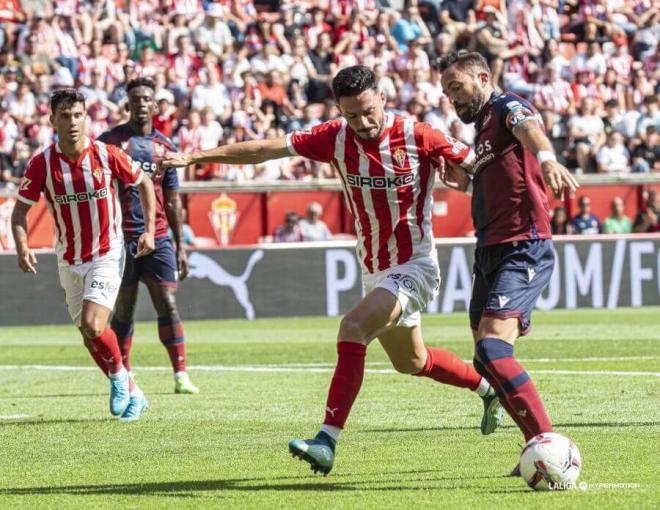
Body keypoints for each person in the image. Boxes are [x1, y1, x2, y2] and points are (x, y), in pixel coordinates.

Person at [160, 65, 504, 476]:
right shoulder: (334, 138)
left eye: (367, 111)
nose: (361, 123)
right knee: (411, 361)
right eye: (351, 115)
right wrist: (197, 156)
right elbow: (264, 150)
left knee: (352, 327)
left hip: (416, 265)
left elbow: (484, 169)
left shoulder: (419, 134)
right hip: (375, 269)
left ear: (383, 96)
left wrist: (472, 187)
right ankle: (489, 390)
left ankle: (326, 440)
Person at [437, 51, 579, 475]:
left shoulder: (505, 107)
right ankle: (533, 448)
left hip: (523, 245)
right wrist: (465, 183)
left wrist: (548, 157)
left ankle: (548, 443)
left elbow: (529, 129)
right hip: (490, 250)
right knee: (484, 358)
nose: (452, 98)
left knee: (494, 348)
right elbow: (499, 181)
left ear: (483, 78)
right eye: (446, 92)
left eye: (457, 87)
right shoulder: (481, 133)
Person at [11, 88, 156, 421]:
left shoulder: (107, 154)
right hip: (68, 257)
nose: (73, 122)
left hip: (107, 251)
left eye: (78, 115)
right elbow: (19, 214)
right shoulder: (42, 164)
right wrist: (23, 247)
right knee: (88, 336)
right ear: (52, 120)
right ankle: (135, 392)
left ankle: (120, 376)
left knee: (93, 324)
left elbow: (144, 182)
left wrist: (148, 230)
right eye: (65, 116)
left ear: (85, 118)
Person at [98, 78, 199, 396]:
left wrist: (181, 246)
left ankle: (180, 374)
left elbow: (172, 200)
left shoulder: (166, 149)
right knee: (124, 309)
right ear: (127, 105)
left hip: (158, 238)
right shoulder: (110, 143)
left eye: (146, 99)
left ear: (156, 106)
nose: (141, 103)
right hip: (122, 239)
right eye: (135, 98)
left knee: (167, 303)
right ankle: (123, 374)